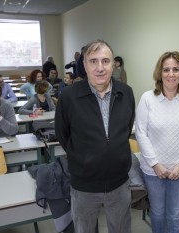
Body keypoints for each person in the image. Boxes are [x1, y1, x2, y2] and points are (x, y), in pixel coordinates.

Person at [55, 39, 135, 233]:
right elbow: (63, 135)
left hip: (119, 184)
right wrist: (84, 158)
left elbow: (126, 128)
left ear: (113, 64)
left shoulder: (126, 93)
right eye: (93, 61)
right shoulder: (68, 97)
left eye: (105, 61)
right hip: (84, 186)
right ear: (84, 65)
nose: (100, 68)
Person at [135, 51, 179, 233]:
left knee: (175, 214)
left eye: (175, 69)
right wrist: (155, 164)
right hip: (153, 170)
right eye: (166, 70)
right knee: (157, 212)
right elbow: (141, 134)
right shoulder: (147, 99)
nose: (171, 74)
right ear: (160, 73)